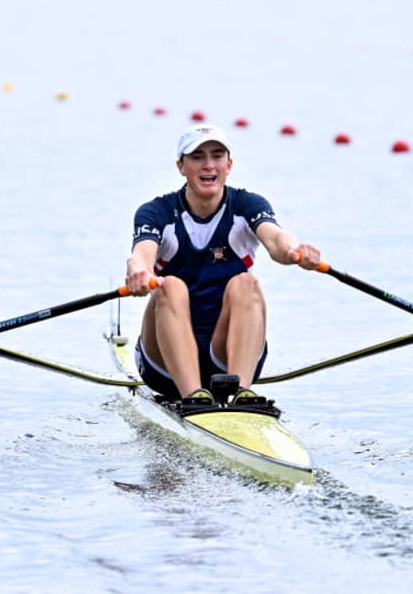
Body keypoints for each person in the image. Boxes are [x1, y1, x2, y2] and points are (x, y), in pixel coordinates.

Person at [124, 123, 322, 405]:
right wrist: (138, 272)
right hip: (165, 364)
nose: (208, 165)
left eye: (217, 156)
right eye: (197, 157)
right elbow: (142, 254)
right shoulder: (156, 212)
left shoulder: (246, 205)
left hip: (226, 354)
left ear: (229, 165)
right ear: (181, 166)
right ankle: (193, 396)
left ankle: (241, 393)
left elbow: (277, 239)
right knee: (170, 286)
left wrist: (294, 251)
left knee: (246, 283)